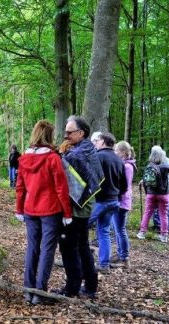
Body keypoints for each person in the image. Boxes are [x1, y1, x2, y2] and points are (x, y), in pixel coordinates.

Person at [15, 120, 72, 305]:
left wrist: (19, 208)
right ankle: (39, 292)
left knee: (33, 248)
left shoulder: (24, 158)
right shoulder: (52, 158)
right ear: (49, 135)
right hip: (50, 210)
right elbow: (61, 188)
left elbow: (20, 187)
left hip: (30, 209)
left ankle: (27, 290)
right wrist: (67, 213)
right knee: (47, 249)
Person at [53, 115, 103, 299]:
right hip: (85, 207)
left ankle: (72, 288)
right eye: (65, 131)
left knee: (68, 247)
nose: (65, 135)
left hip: (77, 209)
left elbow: (60, 168)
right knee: (82, 246)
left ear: (81, 133)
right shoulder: (89, 148)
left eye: (69, 132)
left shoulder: (76, 155)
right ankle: (90, 285)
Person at [87, 132, 127, 274]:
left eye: (97, 141)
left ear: (103, 142)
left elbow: (90, 179)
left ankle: (79, 259)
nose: (95, 143)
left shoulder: (98, 157)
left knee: (80, 227)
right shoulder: (119, 160)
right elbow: (125, 185)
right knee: (104, 232)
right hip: (114, 202)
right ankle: (104, 264)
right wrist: (116, 195)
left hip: (101, 202)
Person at [112, 141, 137, 268]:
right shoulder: (125, 165)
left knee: (120, 230)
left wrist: (115, 196)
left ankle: (125, 257)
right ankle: (120, 253)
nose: (115, 153)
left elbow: (124, 186)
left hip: (122, 202)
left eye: (116, 151)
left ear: (123, 152)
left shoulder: (127, 167)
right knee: (117, 229)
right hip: (120, 200)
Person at [152, 151, 169, 234]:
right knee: (157, 208)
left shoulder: (166, 163)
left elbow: (166, 178)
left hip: (167, 191)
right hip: (161, 191)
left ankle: (168, 228)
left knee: (166, 210)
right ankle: (158, 225)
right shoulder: (158, 162)